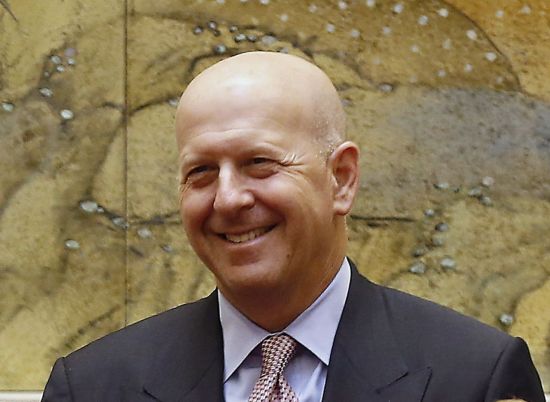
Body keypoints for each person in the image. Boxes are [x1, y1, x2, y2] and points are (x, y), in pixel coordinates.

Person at [42, 51, 545, 401]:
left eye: (260, 163)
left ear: (341, 179)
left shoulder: (474, 378)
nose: (228, 198)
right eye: (201, 172)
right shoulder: (91, 387)